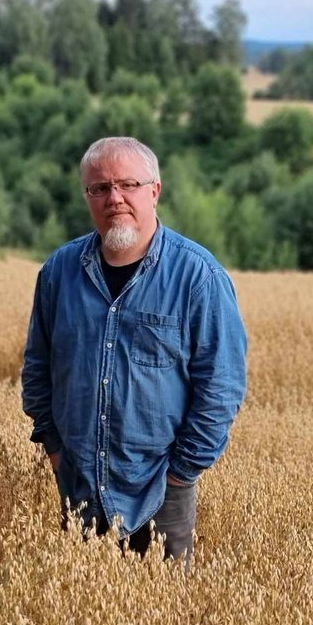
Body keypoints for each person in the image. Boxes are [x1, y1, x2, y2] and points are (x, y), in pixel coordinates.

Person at [20, 136, 248, 564]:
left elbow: (222, 388)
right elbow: (38, 369)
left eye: (128, 185)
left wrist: (179, 476)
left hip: (161, 496)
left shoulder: (198, 277)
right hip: (79, 489)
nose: (115, 198)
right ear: (86, 195)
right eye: (99, 188)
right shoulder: (59, 272)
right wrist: (54, 451)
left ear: (155, 190)